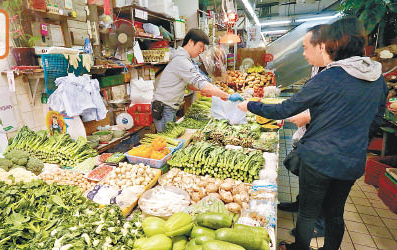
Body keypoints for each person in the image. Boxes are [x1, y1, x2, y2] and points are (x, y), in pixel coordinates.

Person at [237, 16, 387, 250]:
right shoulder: (378, 80)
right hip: (352, 160)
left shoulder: (331, 76)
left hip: (319, 159)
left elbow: (285, 109)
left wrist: (250, 105)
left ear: (336, 43)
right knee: (335, 214)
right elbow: (376, 120)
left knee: (307, 213)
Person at [279, 24, 330, 239]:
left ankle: (319, 224)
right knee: (306, 179)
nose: (303, 53)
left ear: (321, 46)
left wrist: (308, 116)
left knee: (321, 185)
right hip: (310, 133)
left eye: (305, 47)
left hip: (324, 141)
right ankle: (300, 205)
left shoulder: (336, 73)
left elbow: (334, 109)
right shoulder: (318, 68)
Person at [152, 28, 243, 132]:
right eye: (200, 46)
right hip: (164, 108)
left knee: (170, 137)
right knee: (165, 141)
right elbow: (201, 83)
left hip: (169, 107)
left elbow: (190, 85)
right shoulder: (181, 61)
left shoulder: (185, 59)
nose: (201, 50)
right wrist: (228, 96)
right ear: (191, 42)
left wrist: (208, 90)